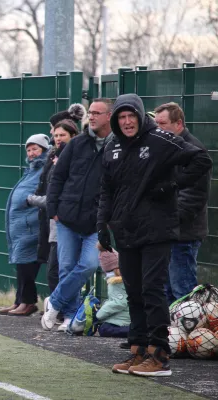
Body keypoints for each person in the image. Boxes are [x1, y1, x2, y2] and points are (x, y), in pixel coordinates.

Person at [97, 93, 212, 377]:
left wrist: (171, 185)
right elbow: (106, 189)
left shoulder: (160, 139)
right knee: (133, 293)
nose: (126, 122)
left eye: (131, 116)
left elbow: (201, 160)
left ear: (139, 116)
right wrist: (102, 224)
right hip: (126, 230)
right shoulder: (112, 145)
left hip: (157, 229)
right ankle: (138, 351)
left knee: (152, 290)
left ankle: (159, 355)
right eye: (121, 117)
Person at [42, 98, 114, 332]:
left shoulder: (117, 147)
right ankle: (71, 316)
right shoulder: (78, 143)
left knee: (89, 265)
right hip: (67, 218)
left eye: (97, 113)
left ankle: (54, 300)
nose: (91, 116)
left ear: (109, 116)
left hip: (96, 222)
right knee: (66, 267)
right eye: (90, 112)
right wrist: (53, 210)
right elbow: (58, 177)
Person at [154, 102, 210, 304]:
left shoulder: (193, 150)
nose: (158, 129)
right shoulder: (167, 147)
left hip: (183, 233)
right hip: (169, 231)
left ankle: (188, 334)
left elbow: (194, 196)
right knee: (168, 289)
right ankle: (171, 333)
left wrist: (168, 220)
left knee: (183, 290)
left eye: (162, 123)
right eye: (155, 123)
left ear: (178, 124)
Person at [27, 120, 79, 297]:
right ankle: (58, 308)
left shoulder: (76, 157)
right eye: (55, 135)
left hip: (69, 220)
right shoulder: (53, 157)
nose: (58, 138)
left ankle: (62, 308)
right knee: (55, 269)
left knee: (63, 269)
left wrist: (34, 200)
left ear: (73, 136)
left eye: (62, 135)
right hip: (53, 221)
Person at [0, 134, 49, 316]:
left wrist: (28, 200)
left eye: (35, 149)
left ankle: (28, 301)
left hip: (31, 225)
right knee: (21, 264)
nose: (31, 153)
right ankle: (20, 300)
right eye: (29, 149)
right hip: (22, 225)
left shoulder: (44, 169)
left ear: (44, 149)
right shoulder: (31, 169)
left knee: (27, 264)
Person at [96, 246, 130, 338]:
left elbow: (119, 302)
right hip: (125, 318)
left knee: (104, 329)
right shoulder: (125, 279)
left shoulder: (116, 282)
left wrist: (99, 314)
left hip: (122, 321)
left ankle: (132, 331)